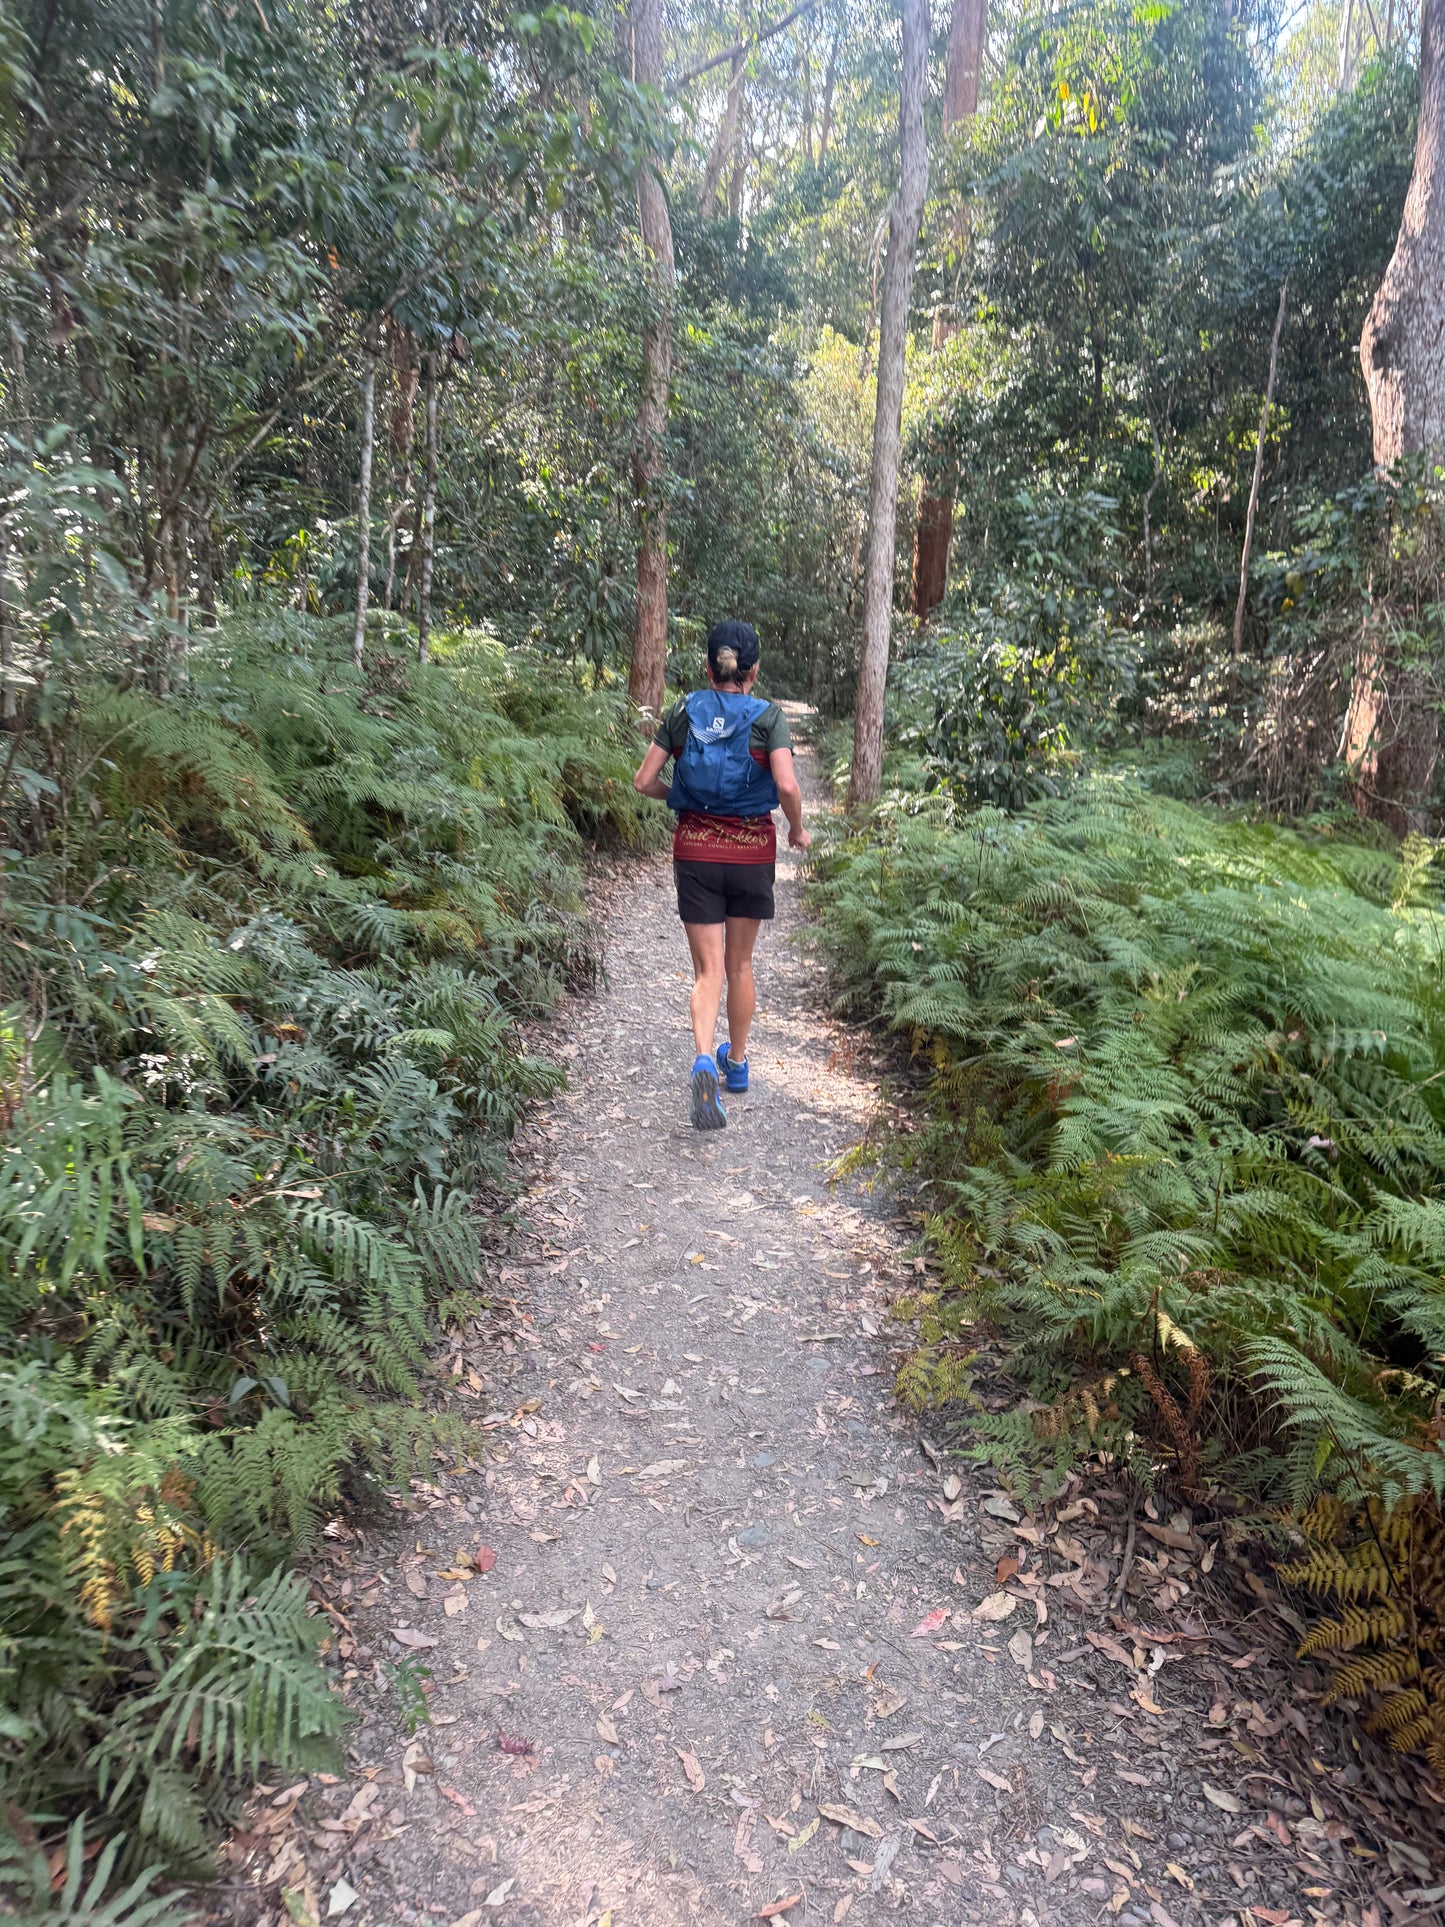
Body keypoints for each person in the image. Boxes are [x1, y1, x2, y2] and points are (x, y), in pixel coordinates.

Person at [633, 620, 811, 1129]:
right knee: (740, 966)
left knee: (707, 971)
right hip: (751, 854)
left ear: (709, 668)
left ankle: (705, 1057)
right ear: (753, 671)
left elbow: (644, 781)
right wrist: (797, 829)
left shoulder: (684, 711)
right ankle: (737, 1066)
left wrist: (683, 801)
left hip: (695, 852)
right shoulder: (767, 718)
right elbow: (788, 786)